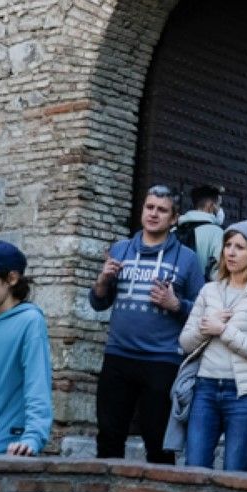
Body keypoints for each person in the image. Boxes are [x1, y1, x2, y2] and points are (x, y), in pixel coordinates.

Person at [89, 184, 204, 463]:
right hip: (118, 356)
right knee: (109, 437)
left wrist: (176, 305)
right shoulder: (120, 249)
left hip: (162, 361)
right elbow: (98, 303)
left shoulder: (188, 259)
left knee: (158, 442)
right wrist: (102, 281)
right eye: (149, 207)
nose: (154, 214)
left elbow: (202, 311)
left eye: (162, 210)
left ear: (174, 218)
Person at [177, 221, 247, 471]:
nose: (231, 252)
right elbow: (185, 342)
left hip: (243, 393)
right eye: (228, 245)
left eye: (240, 247)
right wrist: (205, 328)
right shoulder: (209, 290)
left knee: (235, 473)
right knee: (194, 468)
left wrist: (223, 330)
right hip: (205, 388)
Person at [0, 240, 55, 456]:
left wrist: (33, 437)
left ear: (12, 278)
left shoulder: (30, 321)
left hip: (8, 450)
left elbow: (38, 385)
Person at [176, 183, 226, 273]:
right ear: (211, 206)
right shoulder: (217, 233)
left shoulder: (174, 230)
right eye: (219, 205)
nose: (219, 209)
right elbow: (219, 273)